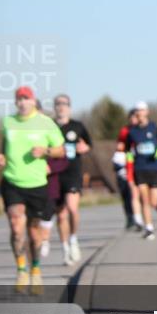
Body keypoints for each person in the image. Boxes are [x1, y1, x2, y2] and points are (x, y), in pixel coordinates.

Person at [0, 86, 66, 294]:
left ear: (33, 101)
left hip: (36, 185)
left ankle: (35, 269)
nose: (22, 102)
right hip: (12, 182)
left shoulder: (45, 123)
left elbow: (61, 151)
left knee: (34, 234)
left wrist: (45, 150)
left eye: (26, 98)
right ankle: (21, 269)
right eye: (19, 99)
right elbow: (5, 147)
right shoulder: (8, 122)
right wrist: (2, 158)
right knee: (16, 226)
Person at [50, 94, 92, 265]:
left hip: (73, 172)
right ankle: (65, 248)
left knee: (72, 209)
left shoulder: (78, 126)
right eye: (58, 104)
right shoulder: (49, 126)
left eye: (64, 104)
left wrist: (85, 147)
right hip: (54, 174)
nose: (61, 107)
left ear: (69, 107)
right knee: (61, 216)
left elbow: (89, 145)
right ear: (54, 107)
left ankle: (73, 239)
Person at [123, 102, 157, 240]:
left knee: (153, 202)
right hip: (139, 168)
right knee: (144, 200)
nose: (139, 113)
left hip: (153, 167)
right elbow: (127, 148)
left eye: (142, 111)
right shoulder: (132, 131)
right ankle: (149, 228)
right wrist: (129, 158)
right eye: (137, 111)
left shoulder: (154, 127)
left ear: (147, 112)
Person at [117, 109, 143, 231]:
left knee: (140, 193)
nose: (133, 120)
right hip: (127, 165)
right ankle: (131, 218)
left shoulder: (143, 130)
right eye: (131, 118)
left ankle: (140, 216)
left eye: (135, 117)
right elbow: (120, 146)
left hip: (142, 165)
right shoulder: (125, 131)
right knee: (127, 193)